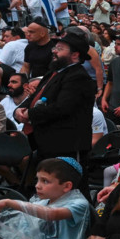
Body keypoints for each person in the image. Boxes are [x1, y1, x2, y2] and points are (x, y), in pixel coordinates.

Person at [13, 31, 95, 162]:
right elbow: (35, 96)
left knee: (67, 180)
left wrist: (30, 114)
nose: (54, 51)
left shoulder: (78, 77)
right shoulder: (53, 72)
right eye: (55, 47)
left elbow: (62, 108)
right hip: (45, 140)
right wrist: (19, 110)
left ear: (74, 55)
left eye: (60, 49)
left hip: (66, 143)